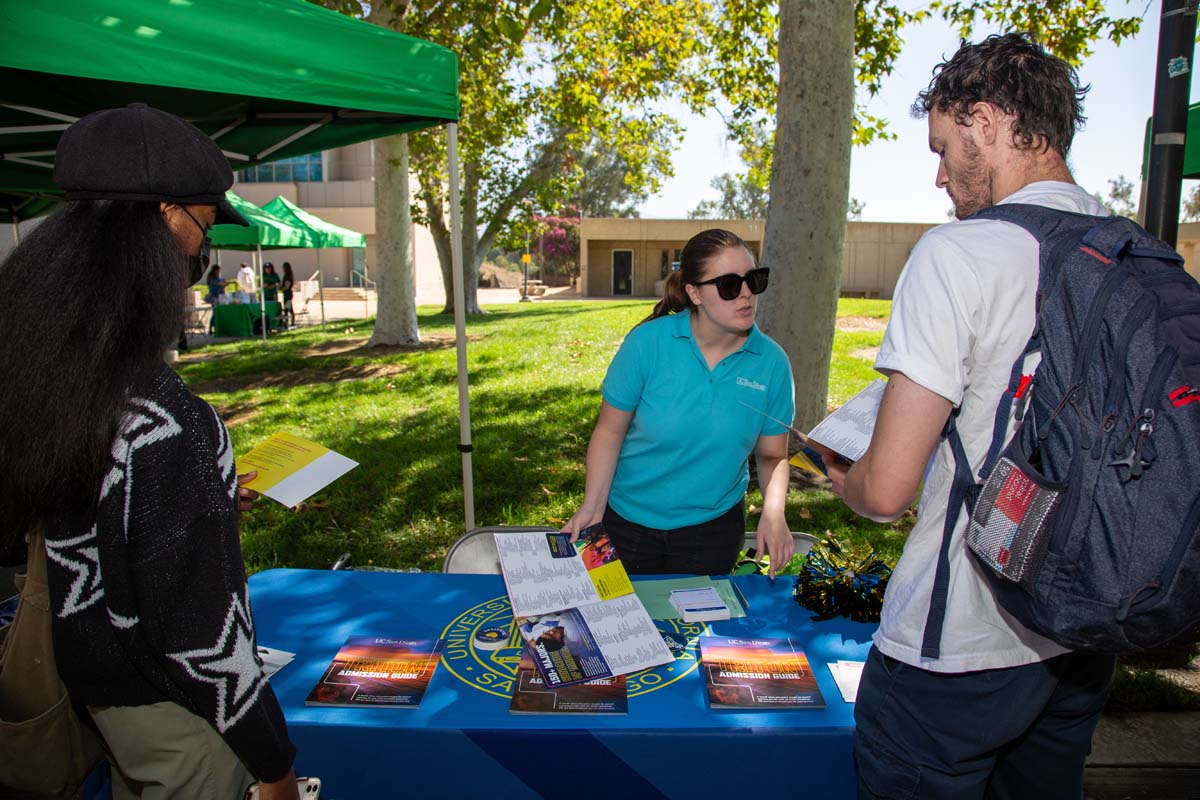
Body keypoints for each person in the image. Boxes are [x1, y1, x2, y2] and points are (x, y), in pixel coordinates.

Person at [814, 35, 1116, 798]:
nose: (940, 174)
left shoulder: (961, 253)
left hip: (956, 649)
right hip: (1079, 633)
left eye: (944, 147)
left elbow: (886, 491)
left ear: (988, 121)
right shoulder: (1128, 251)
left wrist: (842, 478)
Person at [0, 104, 300, 800]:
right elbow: (203, 643)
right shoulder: (170, 422)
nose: (202, 252)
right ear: (166, 217)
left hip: (91, 699)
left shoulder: (47, 379)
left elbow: (76, 520)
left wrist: (198, 504)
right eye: (202, 224)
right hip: (181, 729)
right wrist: (275, 767)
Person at [563, 228, 796, 577]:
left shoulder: (772, 362)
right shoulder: (647, 344)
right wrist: (592, 506)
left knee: (696, 630)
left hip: (713, 530)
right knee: (618, 625)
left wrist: (774, 512)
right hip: (625, 522)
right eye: (730, 285)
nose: (746, 294)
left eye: (754, 279)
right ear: (694, 293)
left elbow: (772, 455)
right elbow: (610, 433)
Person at [280, 262, 295, 328]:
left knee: (287, 308)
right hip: (288, 293)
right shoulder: (289, 275)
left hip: (287, 294)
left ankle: (288, 322)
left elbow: (287, 286)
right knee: (288, 308)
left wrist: (280, 289)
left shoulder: (287, 276)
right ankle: (290, 322)